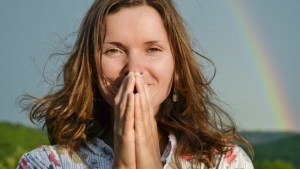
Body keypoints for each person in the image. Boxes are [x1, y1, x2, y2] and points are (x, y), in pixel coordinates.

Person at [17, 0, 254, 168]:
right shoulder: (46, 164)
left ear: (178, 67)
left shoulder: (224, 162)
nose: (134, 68)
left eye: (153, 49)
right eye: (113, 50)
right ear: (89, 66)